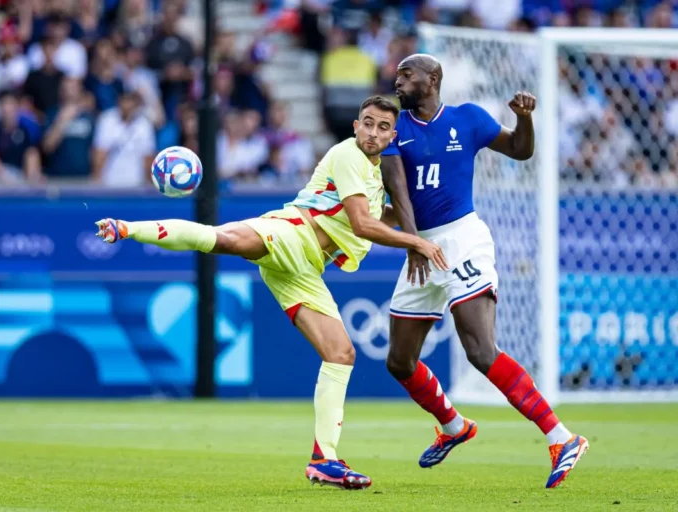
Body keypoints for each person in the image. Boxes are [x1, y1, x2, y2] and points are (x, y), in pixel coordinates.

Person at [95, 95, 447, 490]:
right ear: (355, 125)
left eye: (383, 127)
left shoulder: (375, 173)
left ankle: (324, 461)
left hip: (306, 269)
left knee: (341, 354)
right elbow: (364, 225)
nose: (373, 132)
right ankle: (126, 227)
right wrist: (415, 243)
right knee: (221, 239)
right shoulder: (348, 154)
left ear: (392, 136)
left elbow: (383, 215)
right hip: (292, 233)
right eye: (368, 123)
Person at [380, 54, 588, 489]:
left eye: (407, 74)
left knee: (480, 349)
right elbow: (397, 187)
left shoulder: (468, 118)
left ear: (432, 79)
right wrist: (414, 242)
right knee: (399, 362)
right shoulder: (394, 128)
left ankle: (561, 437)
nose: (397, 80)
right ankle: (455, 427)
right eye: (397, 74)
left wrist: (525, 119)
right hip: (420, 243)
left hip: (461, 239)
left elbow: (519, 149)